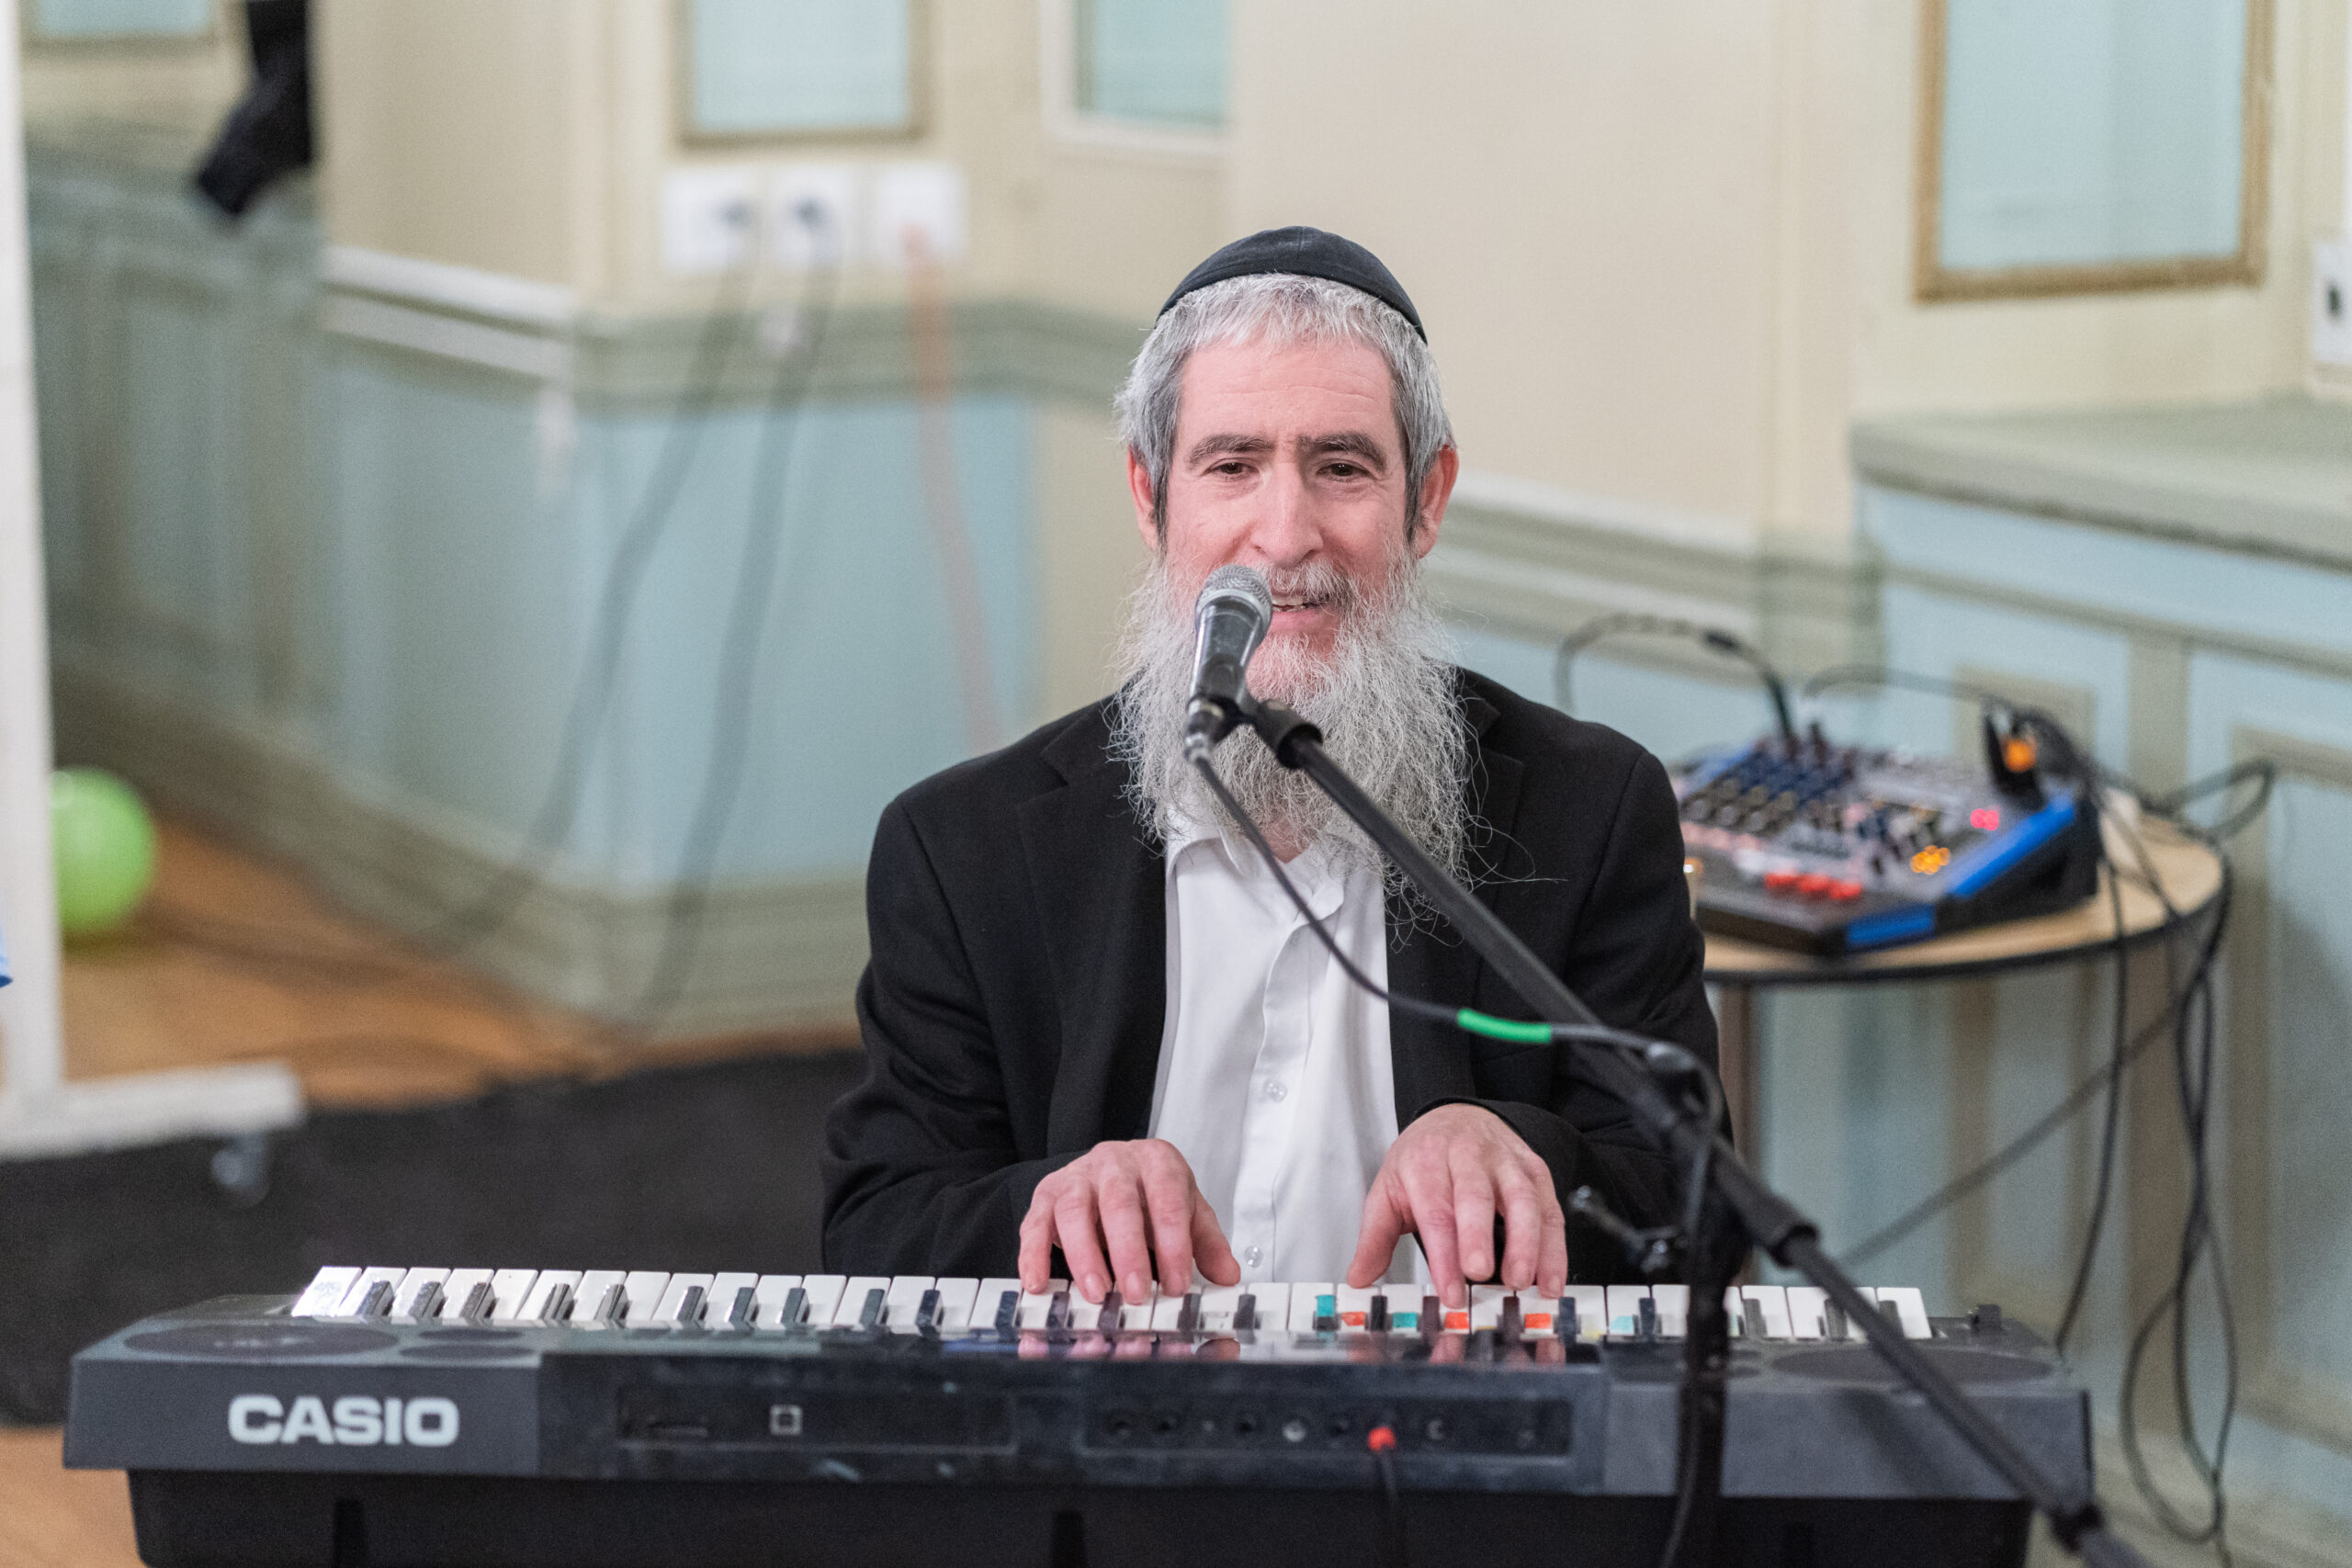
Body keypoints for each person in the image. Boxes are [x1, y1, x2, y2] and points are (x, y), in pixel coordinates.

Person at [821, 227, 1716, 1310]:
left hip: (1451, 1410)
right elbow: (876, 1229)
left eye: (1341, 467)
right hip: (1109, 1412)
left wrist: (1524, 1152)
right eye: (1232, 466)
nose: (1285, 537)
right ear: (1150, 496)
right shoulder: (961, 851)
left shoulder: (1589, 814)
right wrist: (1050, 1208)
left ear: (1425, 500)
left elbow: (1698, 1216)